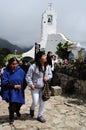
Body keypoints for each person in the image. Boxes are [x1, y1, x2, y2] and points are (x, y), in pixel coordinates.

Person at [26, 51, 52, 123]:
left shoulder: (47, 66)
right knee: (35, 101)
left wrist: (48, 77)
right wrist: (31, 84)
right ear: (39, 58)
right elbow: (28, 76)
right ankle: (32, 108)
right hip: (35, 88)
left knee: (42, 102)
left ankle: (40, 115)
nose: (45, 57)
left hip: (43, 88)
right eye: (44, 56)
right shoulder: (33, 66)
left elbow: (50, 74)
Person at [1, 57, 26, 124]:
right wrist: (14, 86)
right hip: (11, 91)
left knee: (20, 103)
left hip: (20, 91)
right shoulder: (6, 72)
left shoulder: (21, 71)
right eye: (13, 64)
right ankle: (11, 117)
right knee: (12, 104)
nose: (14, 65)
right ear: (9, 64)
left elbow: (25, 80)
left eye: (16, 64)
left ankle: (17, 110)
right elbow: (4, 83)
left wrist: (23, 87)